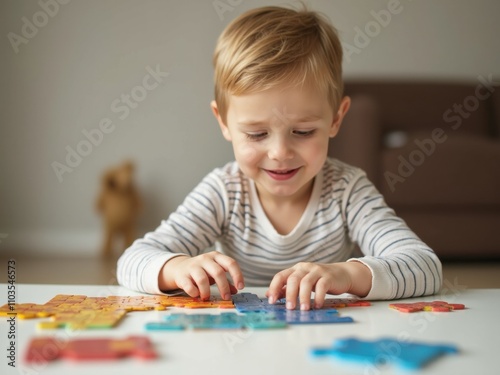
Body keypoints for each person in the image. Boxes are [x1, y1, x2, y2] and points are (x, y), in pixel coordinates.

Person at [117, 5, 442, 310]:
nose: (280, 153)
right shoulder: (224, 191)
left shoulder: (347, 189)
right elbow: (132, 261)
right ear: (223, 123)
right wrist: (179, 267)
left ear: (335, 119)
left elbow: (424, 266)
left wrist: (345, 275)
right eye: (257, 134)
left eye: (302, 132)